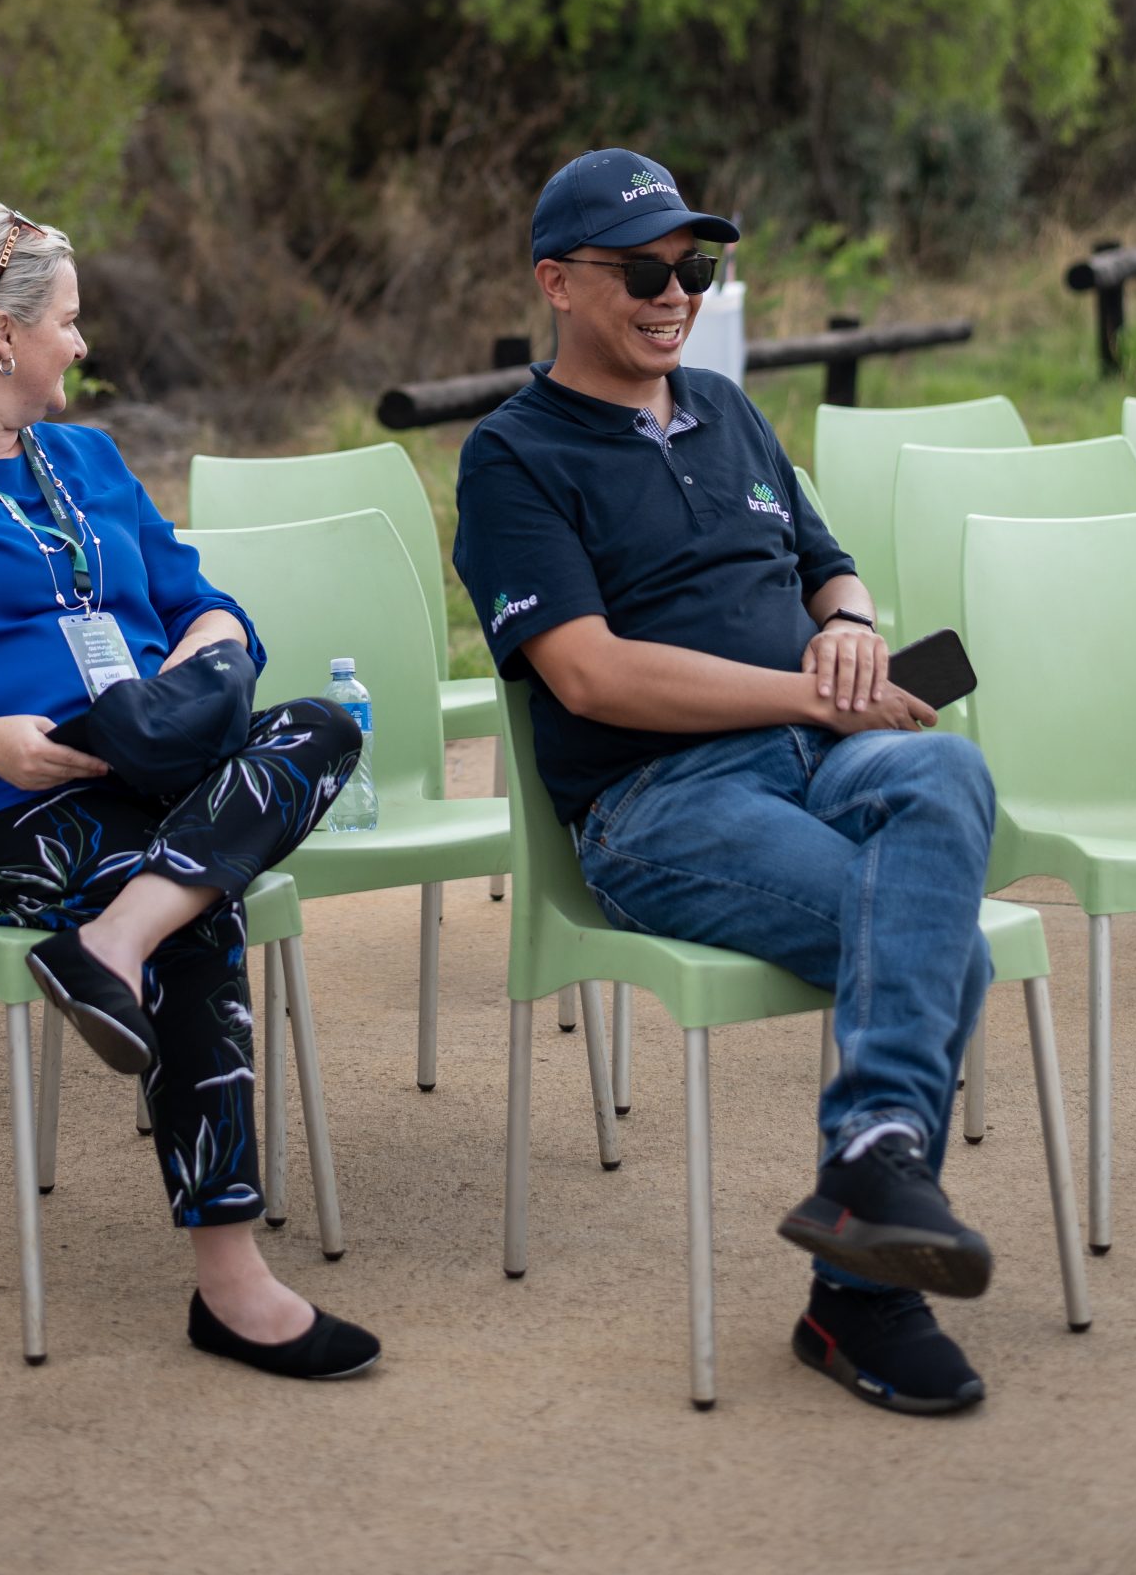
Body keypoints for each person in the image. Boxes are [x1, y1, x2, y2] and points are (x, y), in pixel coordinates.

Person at [0, 200, 379, 1381]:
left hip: (139, 768)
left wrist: (198, 660)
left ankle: (111, 941)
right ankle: (231, 1283)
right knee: (199, 899)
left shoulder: (87, 459)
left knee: (313, 727)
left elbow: (204, 599)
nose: (81, 345)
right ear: (0, 335)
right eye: (67, 322)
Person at [453, 149, 998, 1417]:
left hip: (825, 755)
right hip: (660, 804)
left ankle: (868, 1168)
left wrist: (850, 628)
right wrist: (807, 691)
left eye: (692, 268)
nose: (674, 294)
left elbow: (827, 561)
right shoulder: (511, 456)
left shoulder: (725, 408)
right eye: (642, 270)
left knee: (941, 770)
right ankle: (863, 1292)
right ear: (557, 283)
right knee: (941, 949)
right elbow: (586, 676)